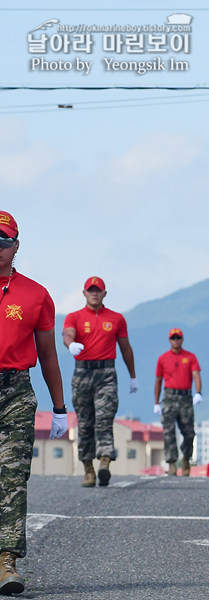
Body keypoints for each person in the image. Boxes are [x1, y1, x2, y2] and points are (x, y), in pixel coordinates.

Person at [0, 210, 68, 595]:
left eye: (3, 241)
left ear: (16, 245)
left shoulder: (36, 295)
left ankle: (6, 561)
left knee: (11, 478)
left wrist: (59, 408)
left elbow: (48, 356)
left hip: (15, 393)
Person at [63, 275, 138, 488]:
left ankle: (105, 460)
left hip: (106, 373)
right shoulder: (74, 317)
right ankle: (88, 469)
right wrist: (70, 345)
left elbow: (125, 348)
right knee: (85, 424)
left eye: (98, 290)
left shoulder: (116, 319)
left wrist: (132, 376)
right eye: (90, 290)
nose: (94, 293)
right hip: (82, 373)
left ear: (104, 293)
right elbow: (67, 334)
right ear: (84, 293)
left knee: (104, 420)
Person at [153, 328, 202, 476]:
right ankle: (172, 463)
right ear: (169, 340)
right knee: (168, 432)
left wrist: (198, 392)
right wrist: (156, 402)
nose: (176, 340)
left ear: (182, 339)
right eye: (173, 338)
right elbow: (158, 380)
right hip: (169, 397)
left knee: (189, 433)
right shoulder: (163, 358)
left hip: (185, 397)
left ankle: (186, 458)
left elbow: (196, 375)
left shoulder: (190, 357)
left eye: (178, 338)